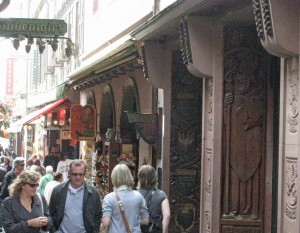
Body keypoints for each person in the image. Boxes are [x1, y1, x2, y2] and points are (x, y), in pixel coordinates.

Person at [49, 159, 102, 233]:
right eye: (75, 174)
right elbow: (51, 213)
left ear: (85, 174)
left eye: (81, 174)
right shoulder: (58, 191)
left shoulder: (93, 193)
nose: (78, 177)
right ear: (70, 173)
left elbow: (98, 215)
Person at [101, 164, 149, 232]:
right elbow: (146, 221)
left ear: (114, 178)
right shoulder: (138, 196)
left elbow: (106, 223)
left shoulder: (109, 198)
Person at [138, 165, 170, 233]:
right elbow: (167, 215)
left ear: (140, 178)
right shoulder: (161, 194)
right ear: (154, 177)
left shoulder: (134, 195)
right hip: (155, 229)